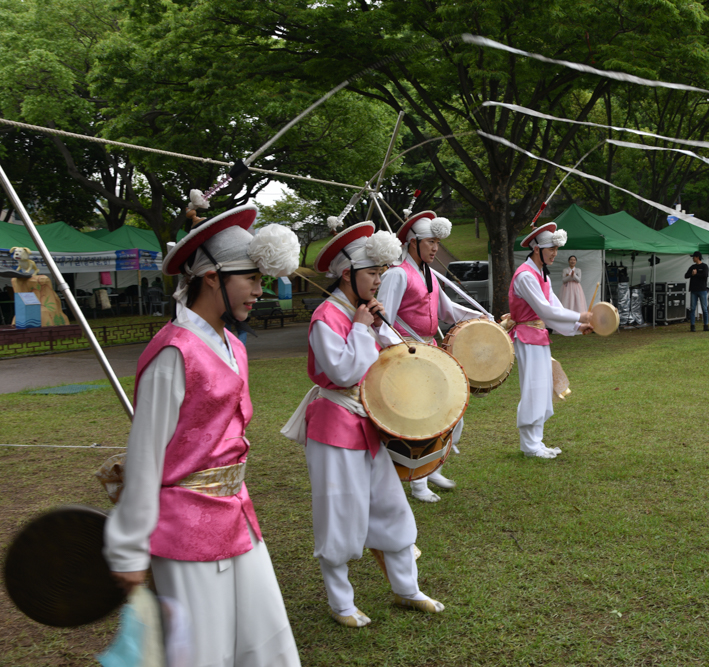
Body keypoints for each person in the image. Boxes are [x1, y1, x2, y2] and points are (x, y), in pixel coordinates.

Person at [103, 204, 302, 666]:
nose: (259, 289)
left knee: (267, 640)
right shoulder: (172, 353)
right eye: (250, 277)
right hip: (185, 528)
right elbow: (146, 455)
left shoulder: (233, 344)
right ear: (212, 276)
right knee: (204, 654)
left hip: (238, 515)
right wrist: (130, 548)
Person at [283, 221, 444, 628]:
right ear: (347, 274)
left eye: (381, 272)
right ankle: (341, 603)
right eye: (372, 273)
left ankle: (406, 588)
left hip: (366, 424)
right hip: (334, 425)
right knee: (340, 514)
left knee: (391, 506)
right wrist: (359, 326)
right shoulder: (326, 318)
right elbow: (343, 371)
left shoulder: (363, 315)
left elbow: (391, 356)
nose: (379, 280)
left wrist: (377, 327)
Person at [378, 210, 483, 503]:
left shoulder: (430, 275)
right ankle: (418, 481)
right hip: (407, 354)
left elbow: (449, 311)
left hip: (430, 349)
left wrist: (483, 319)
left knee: (451, 411)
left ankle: (433, 465)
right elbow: (382, 322)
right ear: (413, 242)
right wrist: (401, 350)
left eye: (437, 242)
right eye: (430, 241)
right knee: (421, 418)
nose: (435, 248)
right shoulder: (397, 274)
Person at [506, 222, 592, 459]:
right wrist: (580, 315)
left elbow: (554, 306)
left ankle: (536, 442)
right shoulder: (525, 275)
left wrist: (578, 326)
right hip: (526, 336)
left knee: (543, 389)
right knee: (533, 389)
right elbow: (545, 310)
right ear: (537, 249)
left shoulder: (541, 274)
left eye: (556, 249)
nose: (555, 254)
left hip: (539, 337)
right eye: (551, 249)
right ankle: (529, 445)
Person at [684, 251, 709, 331]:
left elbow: (705, 275)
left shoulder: (704, 266)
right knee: (692, 308)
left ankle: (706, 325)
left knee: (704, 309)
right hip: (693, 290)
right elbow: (686, 276)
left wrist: (696, 274)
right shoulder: (692, 267)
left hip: (702, 290)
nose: (693, 258)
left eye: (694, 257)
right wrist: (692, 274)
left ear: (697, 257)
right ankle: (692, 326)